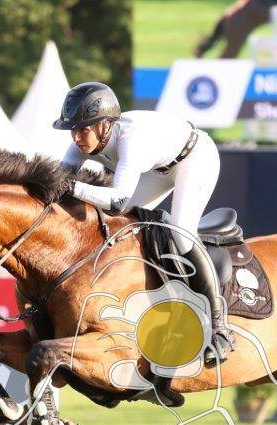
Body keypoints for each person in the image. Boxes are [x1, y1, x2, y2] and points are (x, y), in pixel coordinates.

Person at [54, 82, 235, 365]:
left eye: (83, 129)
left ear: (104, 125)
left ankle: (218, 325)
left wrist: (73, 187)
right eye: (73, 130)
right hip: (157, 169)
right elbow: (57, 183)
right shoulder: (82, 141)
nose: (76, 137)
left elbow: (117, 200)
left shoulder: (131, 139)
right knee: (117, 224)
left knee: (182, 233)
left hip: (195, 158)